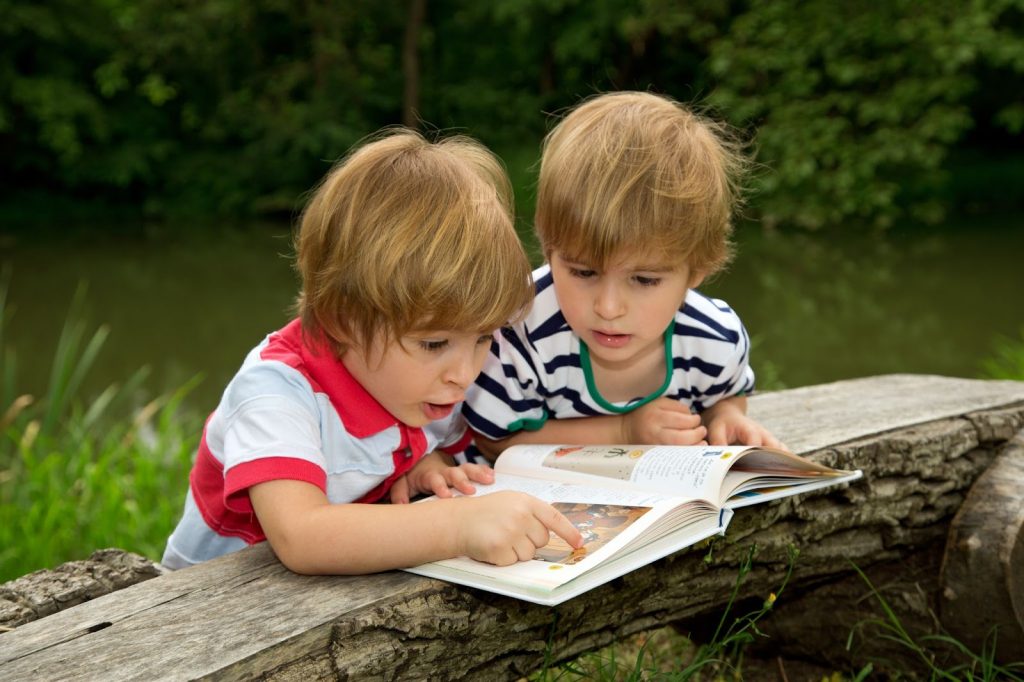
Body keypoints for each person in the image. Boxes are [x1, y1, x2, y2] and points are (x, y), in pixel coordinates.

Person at [162, 129, 582, 573]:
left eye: (482, 339)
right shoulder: (275, 393)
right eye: (434, 343)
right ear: (344, 319)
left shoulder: (418, 386)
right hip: (205, 609)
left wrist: (427, 463)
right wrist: (456, 524)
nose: (464, 372)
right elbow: (301, 536)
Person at [463, 91, 781, 461]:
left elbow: (725, 394)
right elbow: (493, 441)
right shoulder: (516, 333)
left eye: (644, 280)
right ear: (550, 250)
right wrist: (625, 430)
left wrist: (725, 417)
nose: (608, 307)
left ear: (696, 271)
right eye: (583, 272)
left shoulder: (715, 337)